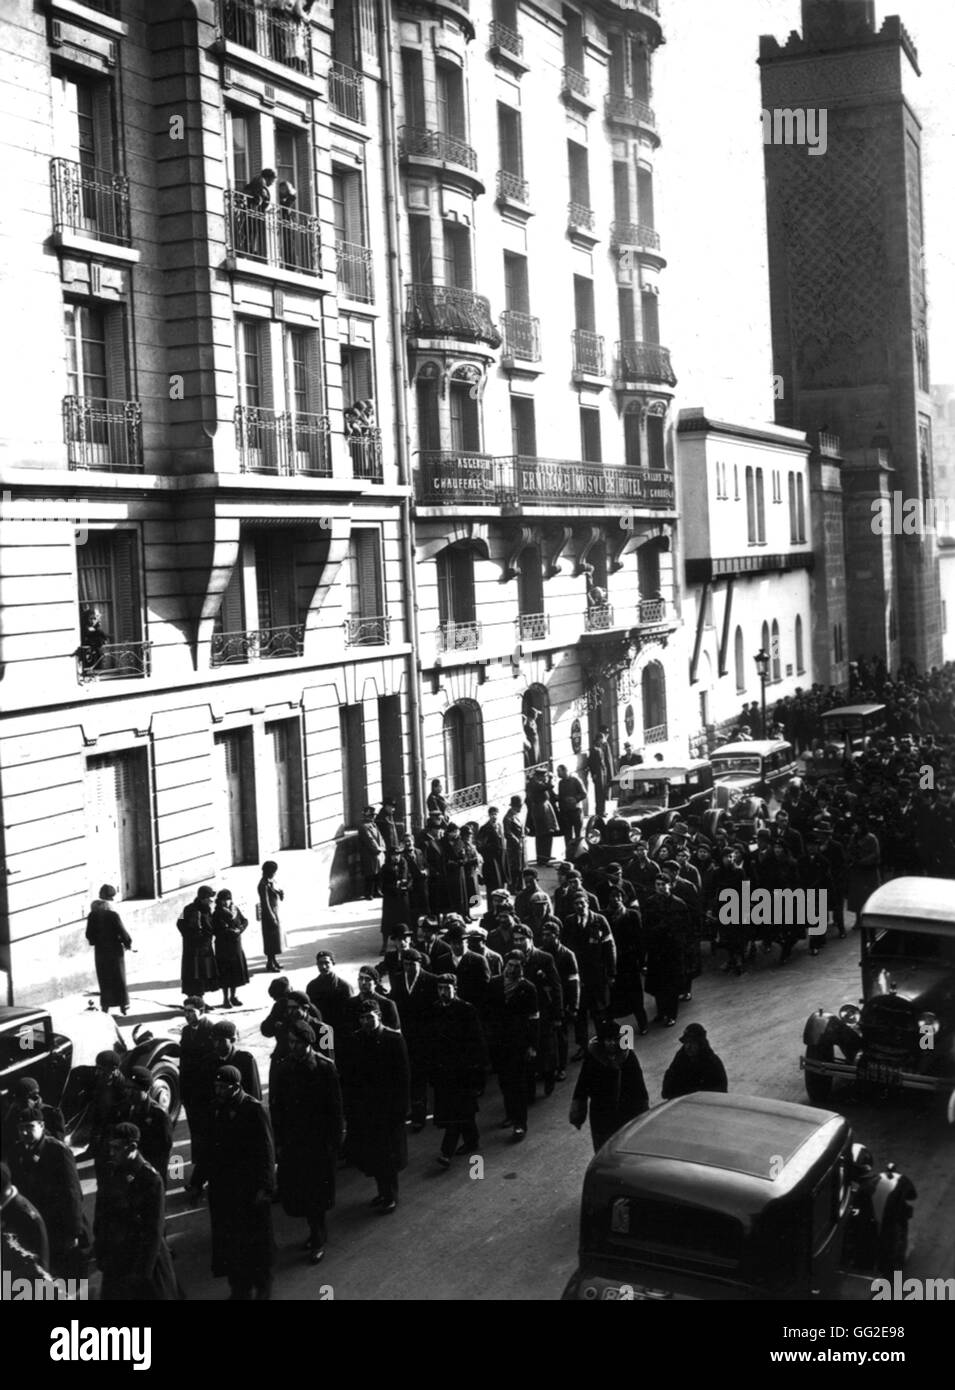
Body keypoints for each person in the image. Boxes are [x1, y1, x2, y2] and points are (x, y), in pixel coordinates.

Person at [270, 1021, 343, 1265]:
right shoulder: (284, 1068)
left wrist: (334, 1142)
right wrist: (279, 1143)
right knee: (301, 1191)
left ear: (308, 1043)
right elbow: (277, 1109)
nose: (293, 1047)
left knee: (317, 1193)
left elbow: (335, 1109)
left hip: (318, 1143)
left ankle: (318, 1238)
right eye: (290, 1042)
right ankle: (315, 1232)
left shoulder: (324, 1068)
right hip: (294, 1142)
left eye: (297, 1043)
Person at [207, 1066, 276, 1300]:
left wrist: (266, 1187)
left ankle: (263, 1287)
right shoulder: (217, 1108)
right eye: (215, 1086)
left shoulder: (254, 1109)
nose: (217, 1090)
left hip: (250, 1189)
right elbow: (212, 1148)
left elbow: (267, 1152)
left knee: (257, 1243)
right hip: (226, 1190)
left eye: (222, 1087)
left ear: (235, 1087)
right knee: (232, 1243)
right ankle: (239, 1288)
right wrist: (199, 1180)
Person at [94, 1123, 179, 1300]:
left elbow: (154, 1230)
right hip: (117, 1260)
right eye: (111, 1147)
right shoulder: (111, 1172)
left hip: (142, 1262)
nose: (112, 1152)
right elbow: (101, 1215)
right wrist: (101, 1251)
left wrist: (142, 1273)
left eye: (117, 1148)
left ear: (132, 1148)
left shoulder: (150, 1179)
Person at [340, 998, 410, 1213]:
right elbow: (349, 1077)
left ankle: (391, 1195)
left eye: (370, 1017)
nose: (366, 1022)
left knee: (389, 1157)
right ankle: (382, 1192)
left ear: (379, 1016)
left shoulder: (393, 1039)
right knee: (374, 1156)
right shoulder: (355, 1040)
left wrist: (401, 1110)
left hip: (388, 1110)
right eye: (362, 1018)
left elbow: (403, 1077)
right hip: (366, 1110)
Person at [9, 1109, 90, 1279]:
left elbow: (73, 1194)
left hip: (60, 1230)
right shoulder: (16, 1153)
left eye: (29, 1127)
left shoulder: (58, 1151)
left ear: (41, 1126)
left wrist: (73, 1233)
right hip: (36, 1230)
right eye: (21, 1128)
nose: (24, 1132)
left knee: (69, 1282)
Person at [428, 975, 489, 1166]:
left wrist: (478, 1072)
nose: (443, 993)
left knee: (457, 1110)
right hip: (444, 1070)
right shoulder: (435, 1009)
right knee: (462, 1110)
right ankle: (472, 1140)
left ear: (455, 988)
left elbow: (477, 1042)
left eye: (447, 988)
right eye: (440, 989)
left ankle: (447, 1151)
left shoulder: (466, 1010)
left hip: (463, 1070)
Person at [569, 1018, 650, 1152]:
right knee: (604, 1152)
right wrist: (577, 1114)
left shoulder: (628, 1057)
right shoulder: (593, 1059)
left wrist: (643, 1114)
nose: (612, 1043)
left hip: (627, 1113)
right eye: (608, 1040)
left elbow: (639, 1088)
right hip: (602, 1116)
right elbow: (582, 1086)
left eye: (615, 1039)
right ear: (602, 1041)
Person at [485, 953, 539, 1141]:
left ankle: (520, 1124)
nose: (511, 969)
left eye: (516, 966)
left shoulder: (528, 988)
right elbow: (487, 1012)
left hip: (519, 1043)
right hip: (499, 1043)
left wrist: (532, 1045)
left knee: (518, 1084)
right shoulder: (494, 984)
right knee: (504, 1081)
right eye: (509, 965)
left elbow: (533, 1019)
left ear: (522, 968)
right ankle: (510, 1115)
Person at [382, 946, 437, 1130]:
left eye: (412, 964)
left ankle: (422, 1114)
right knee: (411, 1075)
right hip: (406, 1036)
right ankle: (415, 1111)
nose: (409, 968)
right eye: (405, 964)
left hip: (425, 1036)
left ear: (419, 963)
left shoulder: (430, 980)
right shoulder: (398, 980)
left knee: (422, 1076)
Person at [563, 895, 617, 1057]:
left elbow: (610, 946)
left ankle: (603, 1042)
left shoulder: (599, 920)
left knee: (599, 1011)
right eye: (576, 903)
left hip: (597, 975)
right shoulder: (569, 922)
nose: (579, 906)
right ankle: (583, 1046)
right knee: (580, 1014)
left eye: (582, 902)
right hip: (578, 975)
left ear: (587, 903)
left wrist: (611, 972)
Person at [179, 997, 216, 1199]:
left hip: (206, 1094)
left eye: (191, 1011)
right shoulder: (186, 1032)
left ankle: (198, 1181)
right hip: (192, 1095)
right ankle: (201, 1178)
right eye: (185, 1011)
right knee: (198, 1138)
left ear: (201, 1011)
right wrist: (183, 1094)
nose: (187, 1014)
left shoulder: (210, 1029)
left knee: (206, 1138)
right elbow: (183, 1064)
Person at [85, 884, 132, 1015]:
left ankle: (105, 1006)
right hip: (115, 951)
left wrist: (95, 942)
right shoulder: (113, 915)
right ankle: (123, 1005)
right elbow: (123, 933)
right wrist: (127, 943)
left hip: (100, 951)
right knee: (119, 978)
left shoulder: (92, 915)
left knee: (104, 978)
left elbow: (89, 934)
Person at [124, 1067, 174, 1186]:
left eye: (134, 1089)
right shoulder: (130, 1108)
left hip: (151, 1172)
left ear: (146, 1089)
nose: (129, 1092)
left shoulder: (159, 1115)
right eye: (127, 1088)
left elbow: (164, 1150)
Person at [661, 1023, 728, 1100]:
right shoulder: (680, 1059)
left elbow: (719, 1095)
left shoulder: (713, 1063)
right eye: (686, 1042)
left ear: (701, 1044)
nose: (688, 1046)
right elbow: (667, 1091)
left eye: (692, 1042)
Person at [305, 951, 352, 1052]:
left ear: (333, 963)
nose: (323, 966)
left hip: (340, 1032)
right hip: (321, 1031)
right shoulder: (312, 987)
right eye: (320, 963)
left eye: (327, 963)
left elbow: (350, 1012)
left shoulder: (344, 987)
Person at [178, 885, 218, 1001]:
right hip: (195, 950)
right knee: (195, 975)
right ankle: (195, 1001)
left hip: (205, 948)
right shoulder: (191, 910)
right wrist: (193, 938)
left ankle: (200, 1001)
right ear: (203, 898)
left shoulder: (206, 909)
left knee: (203, 975)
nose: (212, 900)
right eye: (210, 897)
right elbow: (180, 924)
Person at [211, 888, 250, 1008]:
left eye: (228, 899)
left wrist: (240, 929)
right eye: (224, 900)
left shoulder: (235, 909)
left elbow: (245, 921)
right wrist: (229, 932)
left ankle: (233, 996)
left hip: (236, 946)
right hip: (223, 947)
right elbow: (216, 930)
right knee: (225, 973)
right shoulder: (217, 913)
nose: (226, 902)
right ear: (220, 901)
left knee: (235, 972)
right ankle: (225, 999)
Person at [207, 1019, 262, 1101]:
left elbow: (254, 1093)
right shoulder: (210, 1060)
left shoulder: (245, 1060)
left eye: (221, 1041)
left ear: (232, 1040)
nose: (216, 1044)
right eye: (214, 1040)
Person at [343, 965, 401, 1032]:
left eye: (367, 979)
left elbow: (396, 1034)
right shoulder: (350, 1004)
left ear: (375, 983)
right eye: (360, 978)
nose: (363, 982)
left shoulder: (387, 1004)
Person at [525, 771, 559, 865]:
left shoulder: (537, 783)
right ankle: (542, 858)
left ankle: (546, 856)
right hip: (540, 811)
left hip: (544, 809)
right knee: (543, 834)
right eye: (544, 776)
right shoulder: (534, 784)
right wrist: (551, 779)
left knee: (547, 833)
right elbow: (549, 786)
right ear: (538, 776)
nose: (545, 778)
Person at [257, 861, 285, 972]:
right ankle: (270, 962)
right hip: (268, 914)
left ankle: (274, 960)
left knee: (275, 939)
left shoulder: (271, 881)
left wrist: (281, 894)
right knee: (270, 939)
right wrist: (271, 917)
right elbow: (265, 902)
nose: (274, 874)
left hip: (275, 912)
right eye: (273, 872)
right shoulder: (263, 884)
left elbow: (276, 894)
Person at [556, 763, 587, 860]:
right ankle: (569, 855)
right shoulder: (561, 783)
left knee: (578, 835)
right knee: (567, 835)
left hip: (576, 811)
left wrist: (575, 799)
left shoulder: (575, 780)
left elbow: (584, 793)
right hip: (565, 812)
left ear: (565, 771)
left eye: (559, 771)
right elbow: (560, 797)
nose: (558, 774)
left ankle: (578, 855)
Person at [476, 807, 507, 896]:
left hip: (501, 858)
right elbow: (479, 845)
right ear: (489, 815)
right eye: (492, 814)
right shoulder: (485, 828)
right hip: (491, 861)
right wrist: (489, 850)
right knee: (493, 884)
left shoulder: (500, 826)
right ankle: (492, 907)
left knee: (501, 882)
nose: (494, 816)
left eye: (496, 814)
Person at [358, 806, 386, 898]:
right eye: (371, 815)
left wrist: (382, 847)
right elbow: (369, 839)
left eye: (373, 815)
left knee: (378, 872)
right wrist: (377, 849)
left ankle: (377, 891)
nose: (373, 817)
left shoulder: (374, 825)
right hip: (369, 853)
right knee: (370, 873)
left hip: (377, 853)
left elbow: (380, 837)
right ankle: (368, 893)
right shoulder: (363, 827)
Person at [503, 795, 526, 890]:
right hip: (513, 847)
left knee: (521, 867)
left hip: (520, 845)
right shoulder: (507, 818)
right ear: (514, 806)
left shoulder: (516, 815)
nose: (521, 808)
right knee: (515, 868)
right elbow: (507, 833)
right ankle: (513, 888)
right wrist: (517, 841)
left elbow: (520, 827)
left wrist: (525, 830)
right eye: (519, 806)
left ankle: (520, 886)